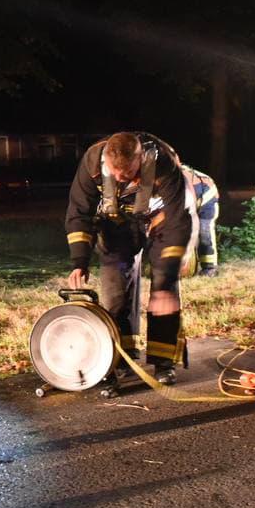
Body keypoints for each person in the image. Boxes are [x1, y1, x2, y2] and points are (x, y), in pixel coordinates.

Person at [65, 131, 198, 385]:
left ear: (140, 159)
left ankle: (164, 362)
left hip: (161, 223)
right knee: (114, 292)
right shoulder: (92, 162)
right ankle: (122, 359)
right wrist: (79, 261)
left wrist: (167, 277)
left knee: (163, 292)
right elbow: (78, 212)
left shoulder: (164, 163)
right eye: (113, 172)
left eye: (126, 173)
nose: (118, 178)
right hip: (117, 226)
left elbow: (178, 221)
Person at [182, 163, 221, 276]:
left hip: (206, 194)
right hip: (188, 197)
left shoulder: (184, 182)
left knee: (205, 231)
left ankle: (210, 267)